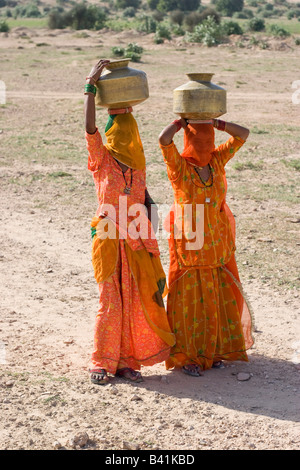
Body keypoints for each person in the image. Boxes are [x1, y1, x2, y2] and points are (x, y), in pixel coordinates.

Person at [84, 59, 175, 385]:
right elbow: (90, 128)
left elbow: (144, 196)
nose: (127, 141)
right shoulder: (101, 158)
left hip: (137, 235)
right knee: (110, 299)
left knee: (136, 298)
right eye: (121, 135)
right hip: (109, 233)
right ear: (112, 137)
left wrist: (153, 228)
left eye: (130, 137)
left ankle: (126, 360)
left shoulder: (137, 167)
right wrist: (90, 87)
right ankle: (101, 360)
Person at [158, 117, 254, 376]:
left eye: (209, 139)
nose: (204, 144)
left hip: (216, 246)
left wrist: (216, 123)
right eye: (198, 140)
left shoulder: (217, 161)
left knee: (213, 297)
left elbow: (243, 133)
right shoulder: (180, 167)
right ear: (189, 142)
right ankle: (187, 354)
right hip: (189, 247)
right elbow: (163, 140)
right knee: (188, 301)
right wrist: (181, 123)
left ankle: (212, 350)